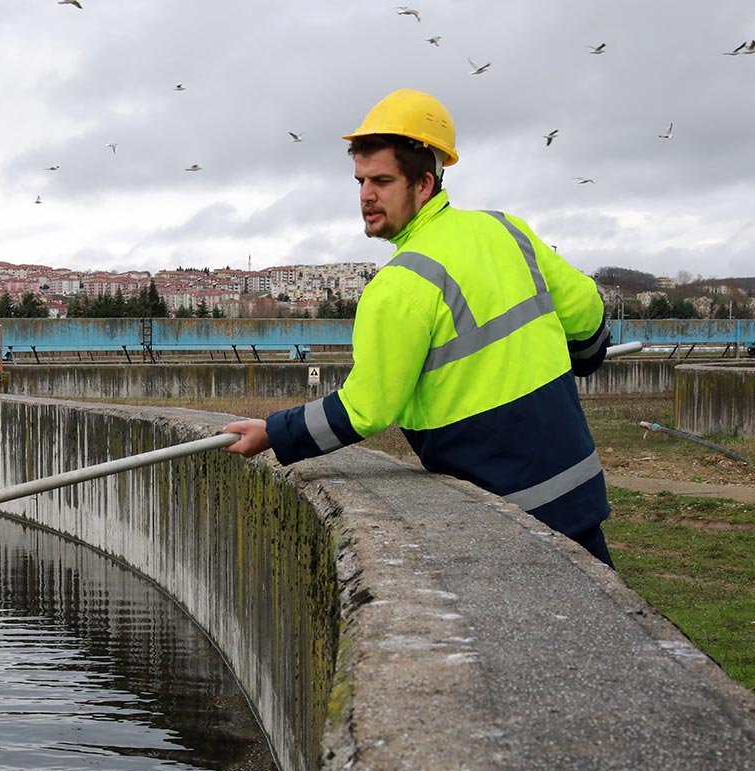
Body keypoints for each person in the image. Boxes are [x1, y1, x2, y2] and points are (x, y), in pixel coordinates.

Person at [223, 88, 615, 567]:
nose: (366, 195)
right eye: (360, 181)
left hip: (502, 514)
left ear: (424, 184)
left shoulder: (400, 285)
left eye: (382, 181)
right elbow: (587, 313)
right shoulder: (506, 228)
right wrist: (588, 355)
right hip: (576, 489)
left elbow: (366, 409)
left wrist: (274, 433)